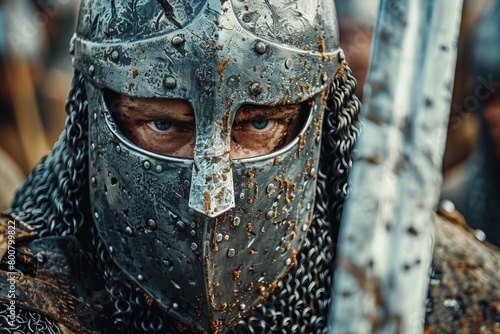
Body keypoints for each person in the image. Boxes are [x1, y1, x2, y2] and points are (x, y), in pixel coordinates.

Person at [0, 1, 498, 333]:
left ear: (320, 117)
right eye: (161, 124)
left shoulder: (455, 296)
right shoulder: (20, 299)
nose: (211, 196)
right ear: (93, 114)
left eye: (259, 126)